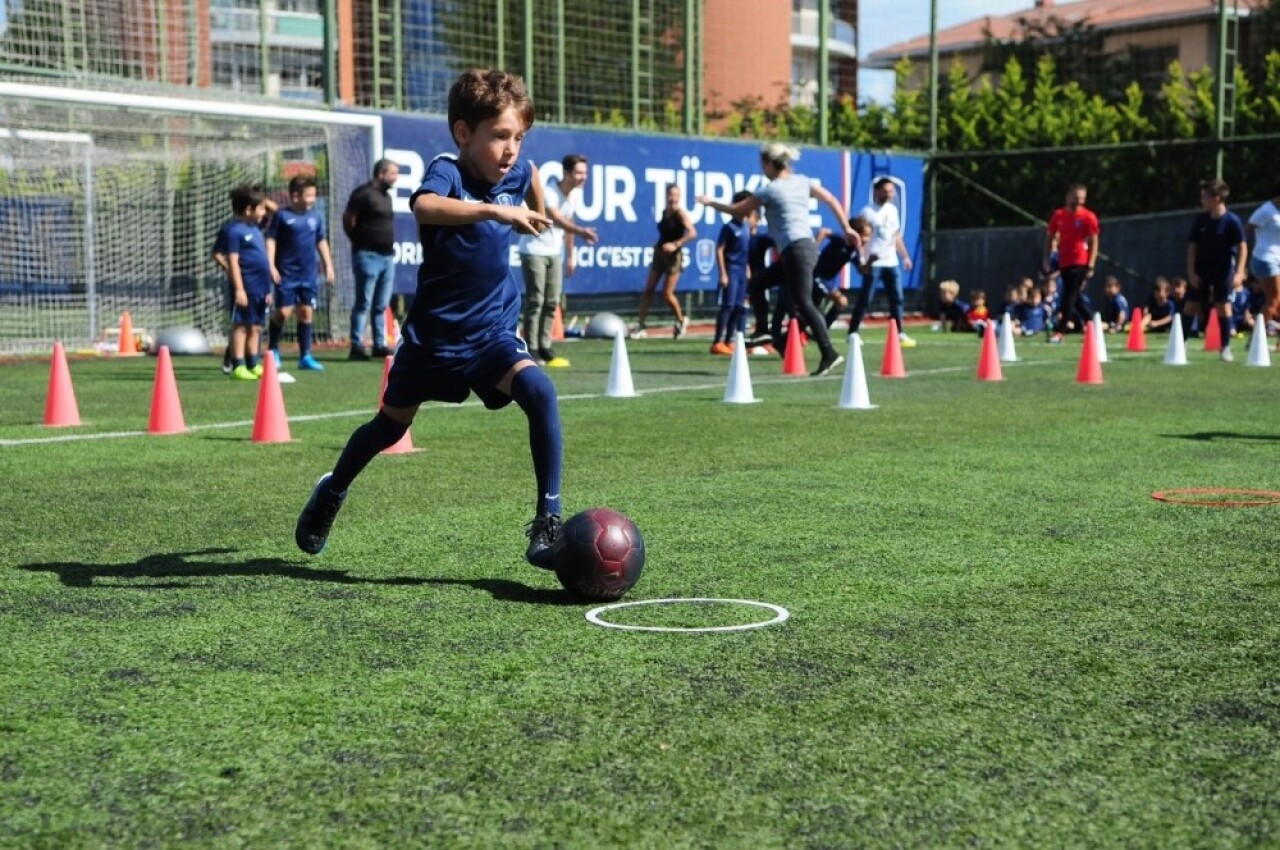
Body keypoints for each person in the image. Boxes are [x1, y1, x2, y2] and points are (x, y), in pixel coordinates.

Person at [295, 69, 562, 570]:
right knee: (389, 430)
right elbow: (424, 206)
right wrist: (495, 212)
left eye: (519, 137)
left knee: (541, 392)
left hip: (491, 334)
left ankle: (548, 521)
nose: (511, 149)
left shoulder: (518, 173)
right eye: (500, 136)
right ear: (464, 133)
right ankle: (332, 491)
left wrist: (542, 214)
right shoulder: (448, 170)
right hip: (434, 339)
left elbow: (534, 175)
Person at [697, 142, 859, 377]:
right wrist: (846, 227)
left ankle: (829, 352)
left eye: (763, 166)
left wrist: (709, 202)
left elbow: (738, 210)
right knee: (757, 284)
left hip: (796, 250)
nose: (762, 170)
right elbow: (832, 200)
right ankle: (766, 332)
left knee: (803, 302)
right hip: (802, 249)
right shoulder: (802, 182)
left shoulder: (770, 190)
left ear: (770, 164)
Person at [518, 153, 599, 367]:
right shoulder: (550, 192)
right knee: (536, 300)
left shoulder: (574, 196)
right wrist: (583, 231)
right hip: (534, 249)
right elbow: (555, 219)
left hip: (555, 253)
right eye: (579, 172)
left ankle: (545, 347)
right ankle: (530, 348)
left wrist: (571, 255)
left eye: (585, 173)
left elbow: (568, 224)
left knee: (552, 301)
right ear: (566, 173)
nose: (583, 177)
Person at [266, 174, 334, 371]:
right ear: (295, 196)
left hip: (308, 275)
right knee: (283, 313)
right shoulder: (282, 216)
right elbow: (271, 240)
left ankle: (305, 356)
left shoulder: (315, 217)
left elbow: (321, 240)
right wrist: (271, 265)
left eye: (314, 195)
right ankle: (273, 350)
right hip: (286, 274)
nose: (314, 199)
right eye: (310, 195)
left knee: (306, 312)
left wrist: (328, 265)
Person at [214, 188, 276, 374]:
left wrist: (267, 291)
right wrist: (239, 288)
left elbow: (275, 210)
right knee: (241, 326)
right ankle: (238, 364)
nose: (264, 212)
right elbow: (232, 260)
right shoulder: (234, 230)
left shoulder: (256, 228)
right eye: (261, 208)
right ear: (249, 210)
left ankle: (253, 363)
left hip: (260, 287)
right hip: (245, 286)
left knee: (255, 326)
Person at [344, 157, 401, 361]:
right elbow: (348, 219)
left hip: (387, 257)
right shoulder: (363, 194)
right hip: (367, 256)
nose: (396, 178)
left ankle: (379, 344)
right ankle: (356, 345)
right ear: (381, 174)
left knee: (381, 304)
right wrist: (358, 243)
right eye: (393, 173)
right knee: (363, 302)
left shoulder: (387, 197)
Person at [847, 177, 915, 346]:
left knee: (897, 298)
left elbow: (896, 235)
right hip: (874, 262)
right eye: (885, 191)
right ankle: (853, 332)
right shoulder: (867, 212)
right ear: (877, 191)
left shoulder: (892, 210)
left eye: (891, 191)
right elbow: (859, 239)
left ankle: (899, 333)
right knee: (866, 298)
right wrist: (862, 258)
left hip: (891, 261)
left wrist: (904, 256)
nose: (889, 195)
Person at [1187, 178, 1249, 361]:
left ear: (1216, 199)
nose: (1202, 201)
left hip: (1223, 272)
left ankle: (1225, 348)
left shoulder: (1231, 221)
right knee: (1191, 305)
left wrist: (1239, 271)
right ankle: (1181, 343)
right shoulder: (1201, 220)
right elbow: (1192, 247)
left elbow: (1243, 246)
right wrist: (1191, 272)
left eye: (1204, 197)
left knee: (1224, 307)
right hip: (1201, 270)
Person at [635, 183, 696, 339]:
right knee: (648, 290)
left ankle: (681, 320)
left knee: (667, 294)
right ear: (666, 196)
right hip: (659, 254)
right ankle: (640, 326)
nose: (673, 198)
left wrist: (675, 245)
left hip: (674, 257)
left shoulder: (680, 214)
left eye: (676, 195)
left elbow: (692, 233)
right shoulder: (664, 213)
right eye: (670, 195)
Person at [1043, 183, 1100, 343]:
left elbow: (1094, 241)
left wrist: (1091, 263)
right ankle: (1092, 323)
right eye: (1076, 198)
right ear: (1068, 197)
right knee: (1075, 297)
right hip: (1064, 261)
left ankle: (1060, 332)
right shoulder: (1058, 215)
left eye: (1082, 199)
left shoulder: (1088, 217)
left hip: (1080, 261)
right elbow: (1050, 237)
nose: (1079, 202)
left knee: (1069, 295)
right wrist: (1047, 258)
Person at [710, 190, 753, 355]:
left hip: (742, 270)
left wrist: (747, 267)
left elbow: (746, 249)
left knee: (738, 306)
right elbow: (720, 249)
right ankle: (717, 342)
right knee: (727, 306)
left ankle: (729, 341)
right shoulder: (729, 227)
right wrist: (723, 273)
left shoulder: (747, 226)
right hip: (731, 269)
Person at [1246, 181, 1280, 333]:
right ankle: (1255, 339)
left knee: (1275, 301)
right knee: (1273, 300)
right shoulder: (1266, 210)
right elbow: (1247, 228)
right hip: (1266, 259)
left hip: (1277, 259)